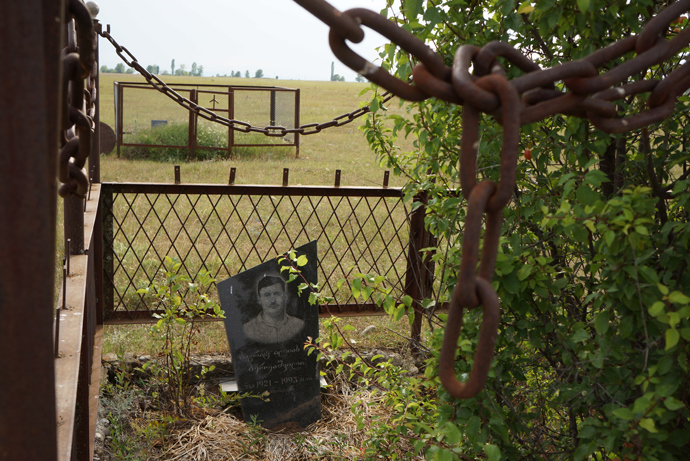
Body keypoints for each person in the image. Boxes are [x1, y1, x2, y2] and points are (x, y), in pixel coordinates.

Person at [243, 275, 304, 344]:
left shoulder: (299, 325)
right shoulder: (247, 329)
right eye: (267, 295)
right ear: (259, 299)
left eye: (277, 294)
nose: (272, 301)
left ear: (285, 296)